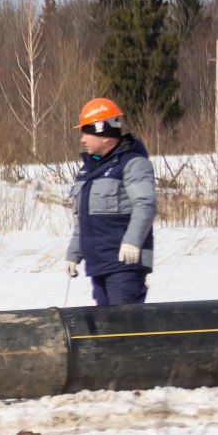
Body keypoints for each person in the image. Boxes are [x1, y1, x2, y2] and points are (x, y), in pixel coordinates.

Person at [65, 97, 155, 305]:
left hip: (125, 265)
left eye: (86, 132)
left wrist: (132, 241)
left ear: (102, 132)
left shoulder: (133, 164)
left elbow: (145, 205)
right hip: (99, 264)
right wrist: (74, 253)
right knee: (107, 330)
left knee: (124, 328)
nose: (83, 139)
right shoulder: (90, 170)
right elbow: (85, 216)